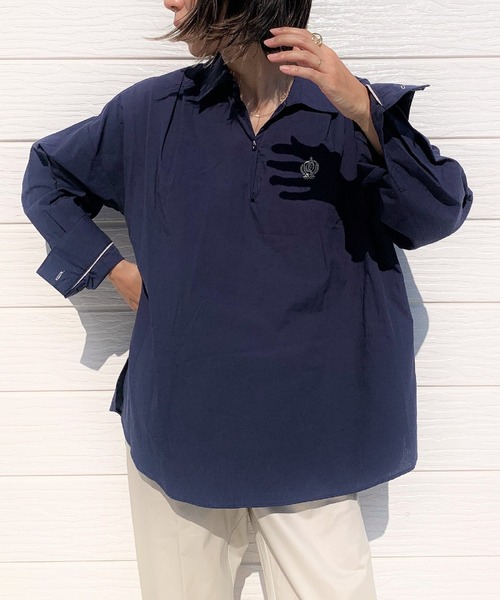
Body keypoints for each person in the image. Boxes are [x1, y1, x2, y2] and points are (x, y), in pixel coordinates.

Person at [21, 0, 473, 598]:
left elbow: (437, 213)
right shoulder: (153, 111)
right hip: (183, 425)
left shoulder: (346, 111)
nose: (169, 1)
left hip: (315, 434)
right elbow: (48, 175)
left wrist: (365, 110)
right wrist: (115, 270)